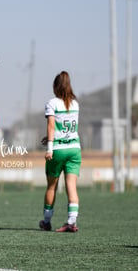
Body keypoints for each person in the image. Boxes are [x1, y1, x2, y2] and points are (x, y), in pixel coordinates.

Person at [39, 71, 81, 233]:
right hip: (74, 149)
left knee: (51, 187)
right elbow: (64, 126)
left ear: (55, 86)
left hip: (57, 149)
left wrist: (49, 147)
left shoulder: (52, 103)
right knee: (71, 186)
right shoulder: (75, 104)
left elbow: (51, 125)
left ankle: (47, 221)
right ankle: (71, 222)